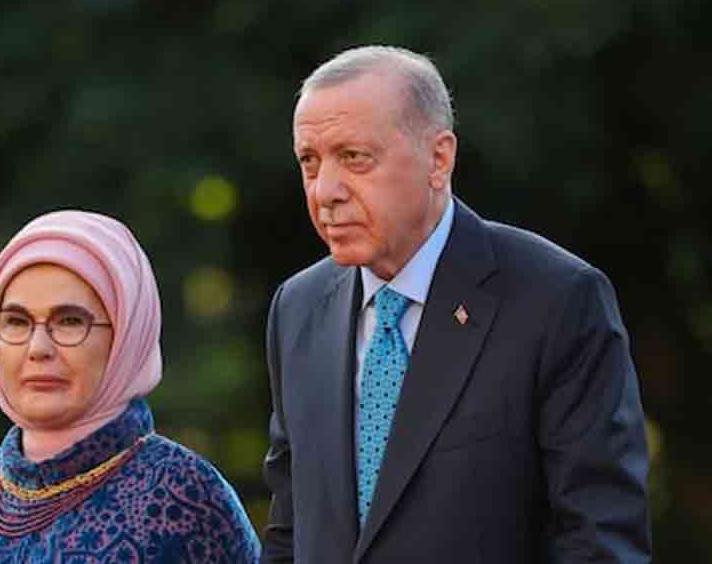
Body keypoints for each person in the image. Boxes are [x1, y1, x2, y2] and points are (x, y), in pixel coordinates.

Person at [261, 46, 651, 562]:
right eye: (309, 162)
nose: (325, 191)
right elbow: (289, 532)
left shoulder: (556, 300)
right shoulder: (297, 308)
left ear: (438, 159)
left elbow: (599, 541)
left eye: (354, 158)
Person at [0, 210, 260, 563]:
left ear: (126, 336)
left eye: (70, 321)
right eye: (16, 321)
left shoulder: (184, 491)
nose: (38, 348)